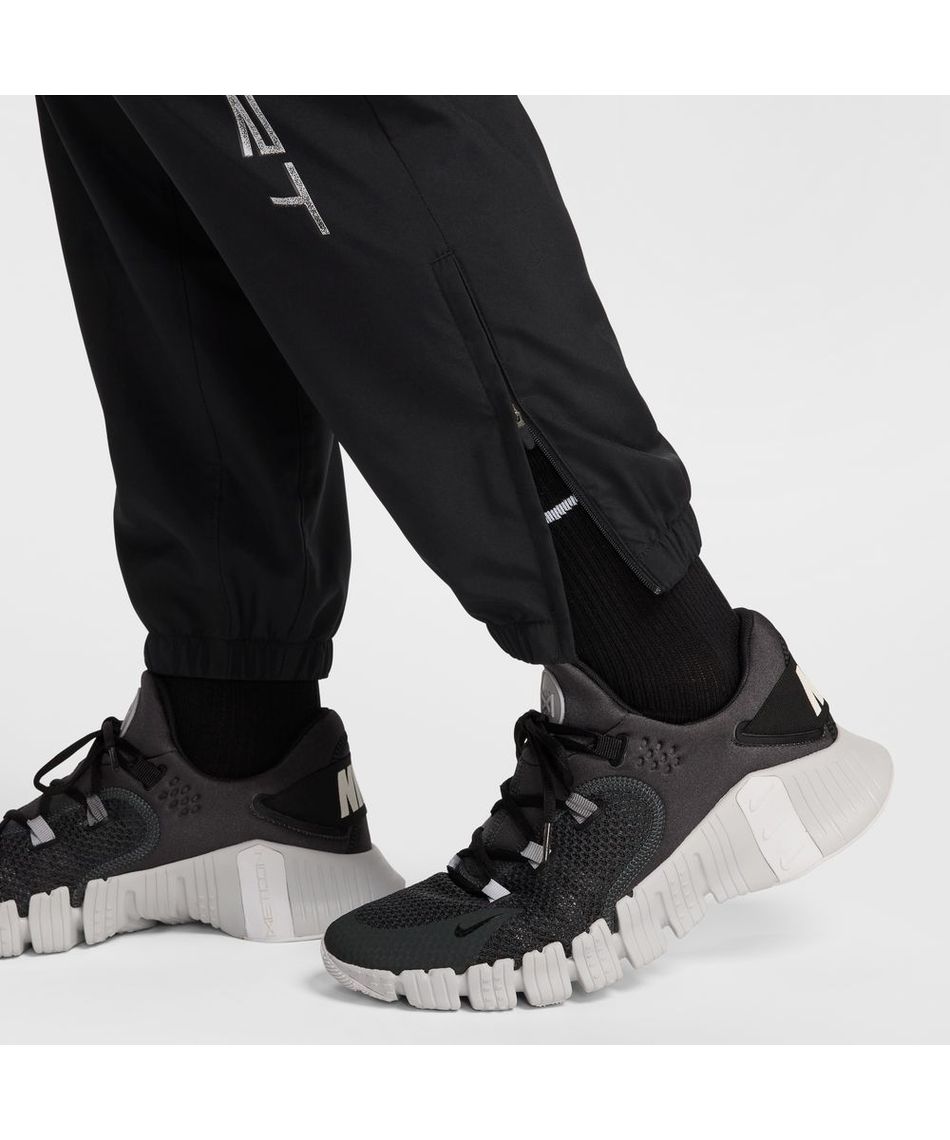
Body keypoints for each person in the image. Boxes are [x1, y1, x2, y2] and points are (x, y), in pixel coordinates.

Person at [0, 96, 890, 1009]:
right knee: (137, 119)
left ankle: (673, 681)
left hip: (668, 672)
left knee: (319, 90)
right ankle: (230, 741)